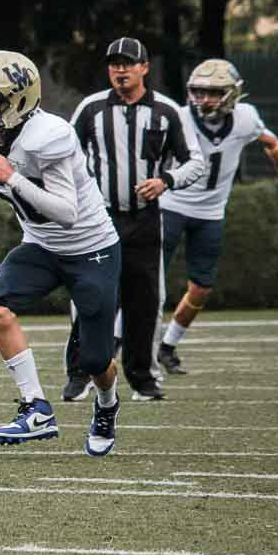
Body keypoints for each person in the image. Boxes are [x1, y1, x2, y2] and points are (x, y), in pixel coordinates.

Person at [0, 50, 123, 456]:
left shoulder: (48, 135)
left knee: (95, 361)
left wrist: (13, 177)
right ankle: (37, 408)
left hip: (91, 248)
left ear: (19, 100)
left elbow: (66, 213)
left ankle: (106, 404)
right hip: (42, 245)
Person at [66, 37, 204, 400]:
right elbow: (64, 153)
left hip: (145, 219)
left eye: (128, 63)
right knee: (90, 294)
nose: (120, 70)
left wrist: (166, 180)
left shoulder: (167, 110)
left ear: (144, 68)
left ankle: (143, 378)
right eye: (114, 64)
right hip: (99, 219)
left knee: (144, 300)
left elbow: (195, 161)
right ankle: (80, 373)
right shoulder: (91, 108)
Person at [157, 59, 278, 374]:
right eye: (198, 91)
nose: (203, 99)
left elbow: (272, 143)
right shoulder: (179, 118)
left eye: (213, 92)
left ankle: (167, 347)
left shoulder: (245, 118)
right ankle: (120, 344)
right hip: (170, 206)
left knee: (201, 288)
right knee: (147, 280)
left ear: (231, 93)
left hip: (211, 211)